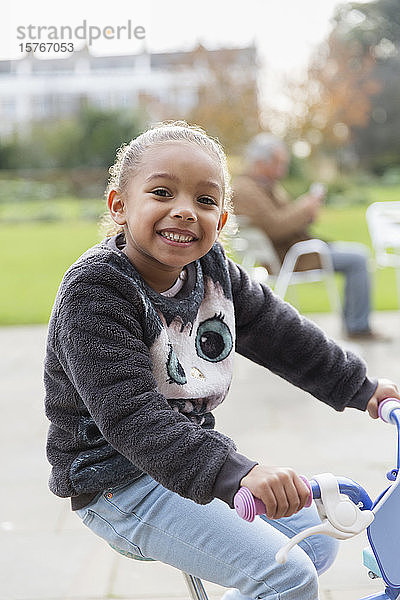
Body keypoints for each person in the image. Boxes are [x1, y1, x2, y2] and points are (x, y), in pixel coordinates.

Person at [44, 121, 399, 600]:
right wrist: (238, 473)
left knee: (311, 545)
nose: (186, 211)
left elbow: (281, 334)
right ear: (119, 206)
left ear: (223, 219)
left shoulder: (211, 273)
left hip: (184, 460)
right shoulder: (96, 293)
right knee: (286, 574)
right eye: (163, 193)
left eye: (206, 201)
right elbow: (131, 416)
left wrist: (363, 389)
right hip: (118, 484)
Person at [233, 133, 384, 341]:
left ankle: (355, 324)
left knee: (354, 253)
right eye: (279, 164)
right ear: (261, 162)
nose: (283, 170)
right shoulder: (246, 190)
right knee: (358, 258)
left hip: (297, 250)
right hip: (292, 257)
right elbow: (276, 227)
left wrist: (307, 212)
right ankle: (358, 327)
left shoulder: (264, 186)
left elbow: (284, 220)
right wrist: (304, 208)